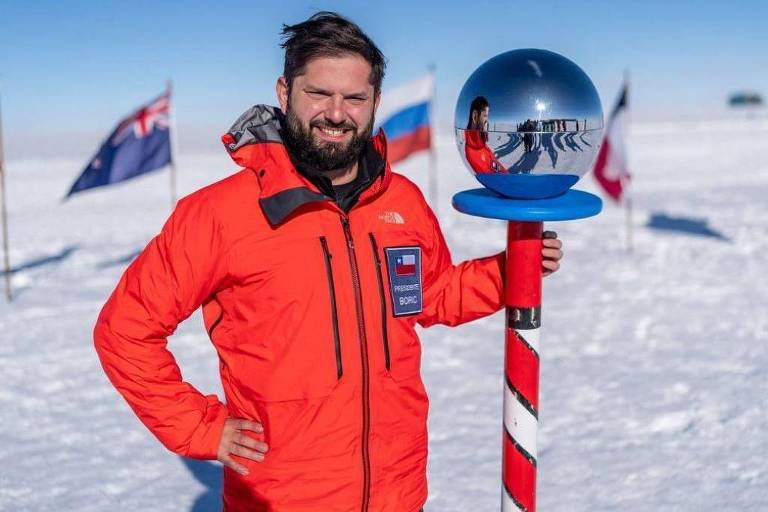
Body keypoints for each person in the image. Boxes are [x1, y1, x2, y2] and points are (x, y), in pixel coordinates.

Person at [93, 12, 563, 512]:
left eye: (355, 98)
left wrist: (507, 273)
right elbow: (124, 331)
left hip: (397, 493)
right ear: (284, 91)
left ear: (375, 102)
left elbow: (431, 295)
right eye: (319, 93)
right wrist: (201, 428)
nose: (336, 113)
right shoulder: (218, 214)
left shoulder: (399, 201)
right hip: (282, 498)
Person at [463, 96, 507, 173]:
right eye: (485, 116)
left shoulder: (481, 145)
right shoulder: (473, 153)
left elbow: (498, 167)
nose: (486, 120)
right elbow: (494, 181)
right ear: (475, 116)